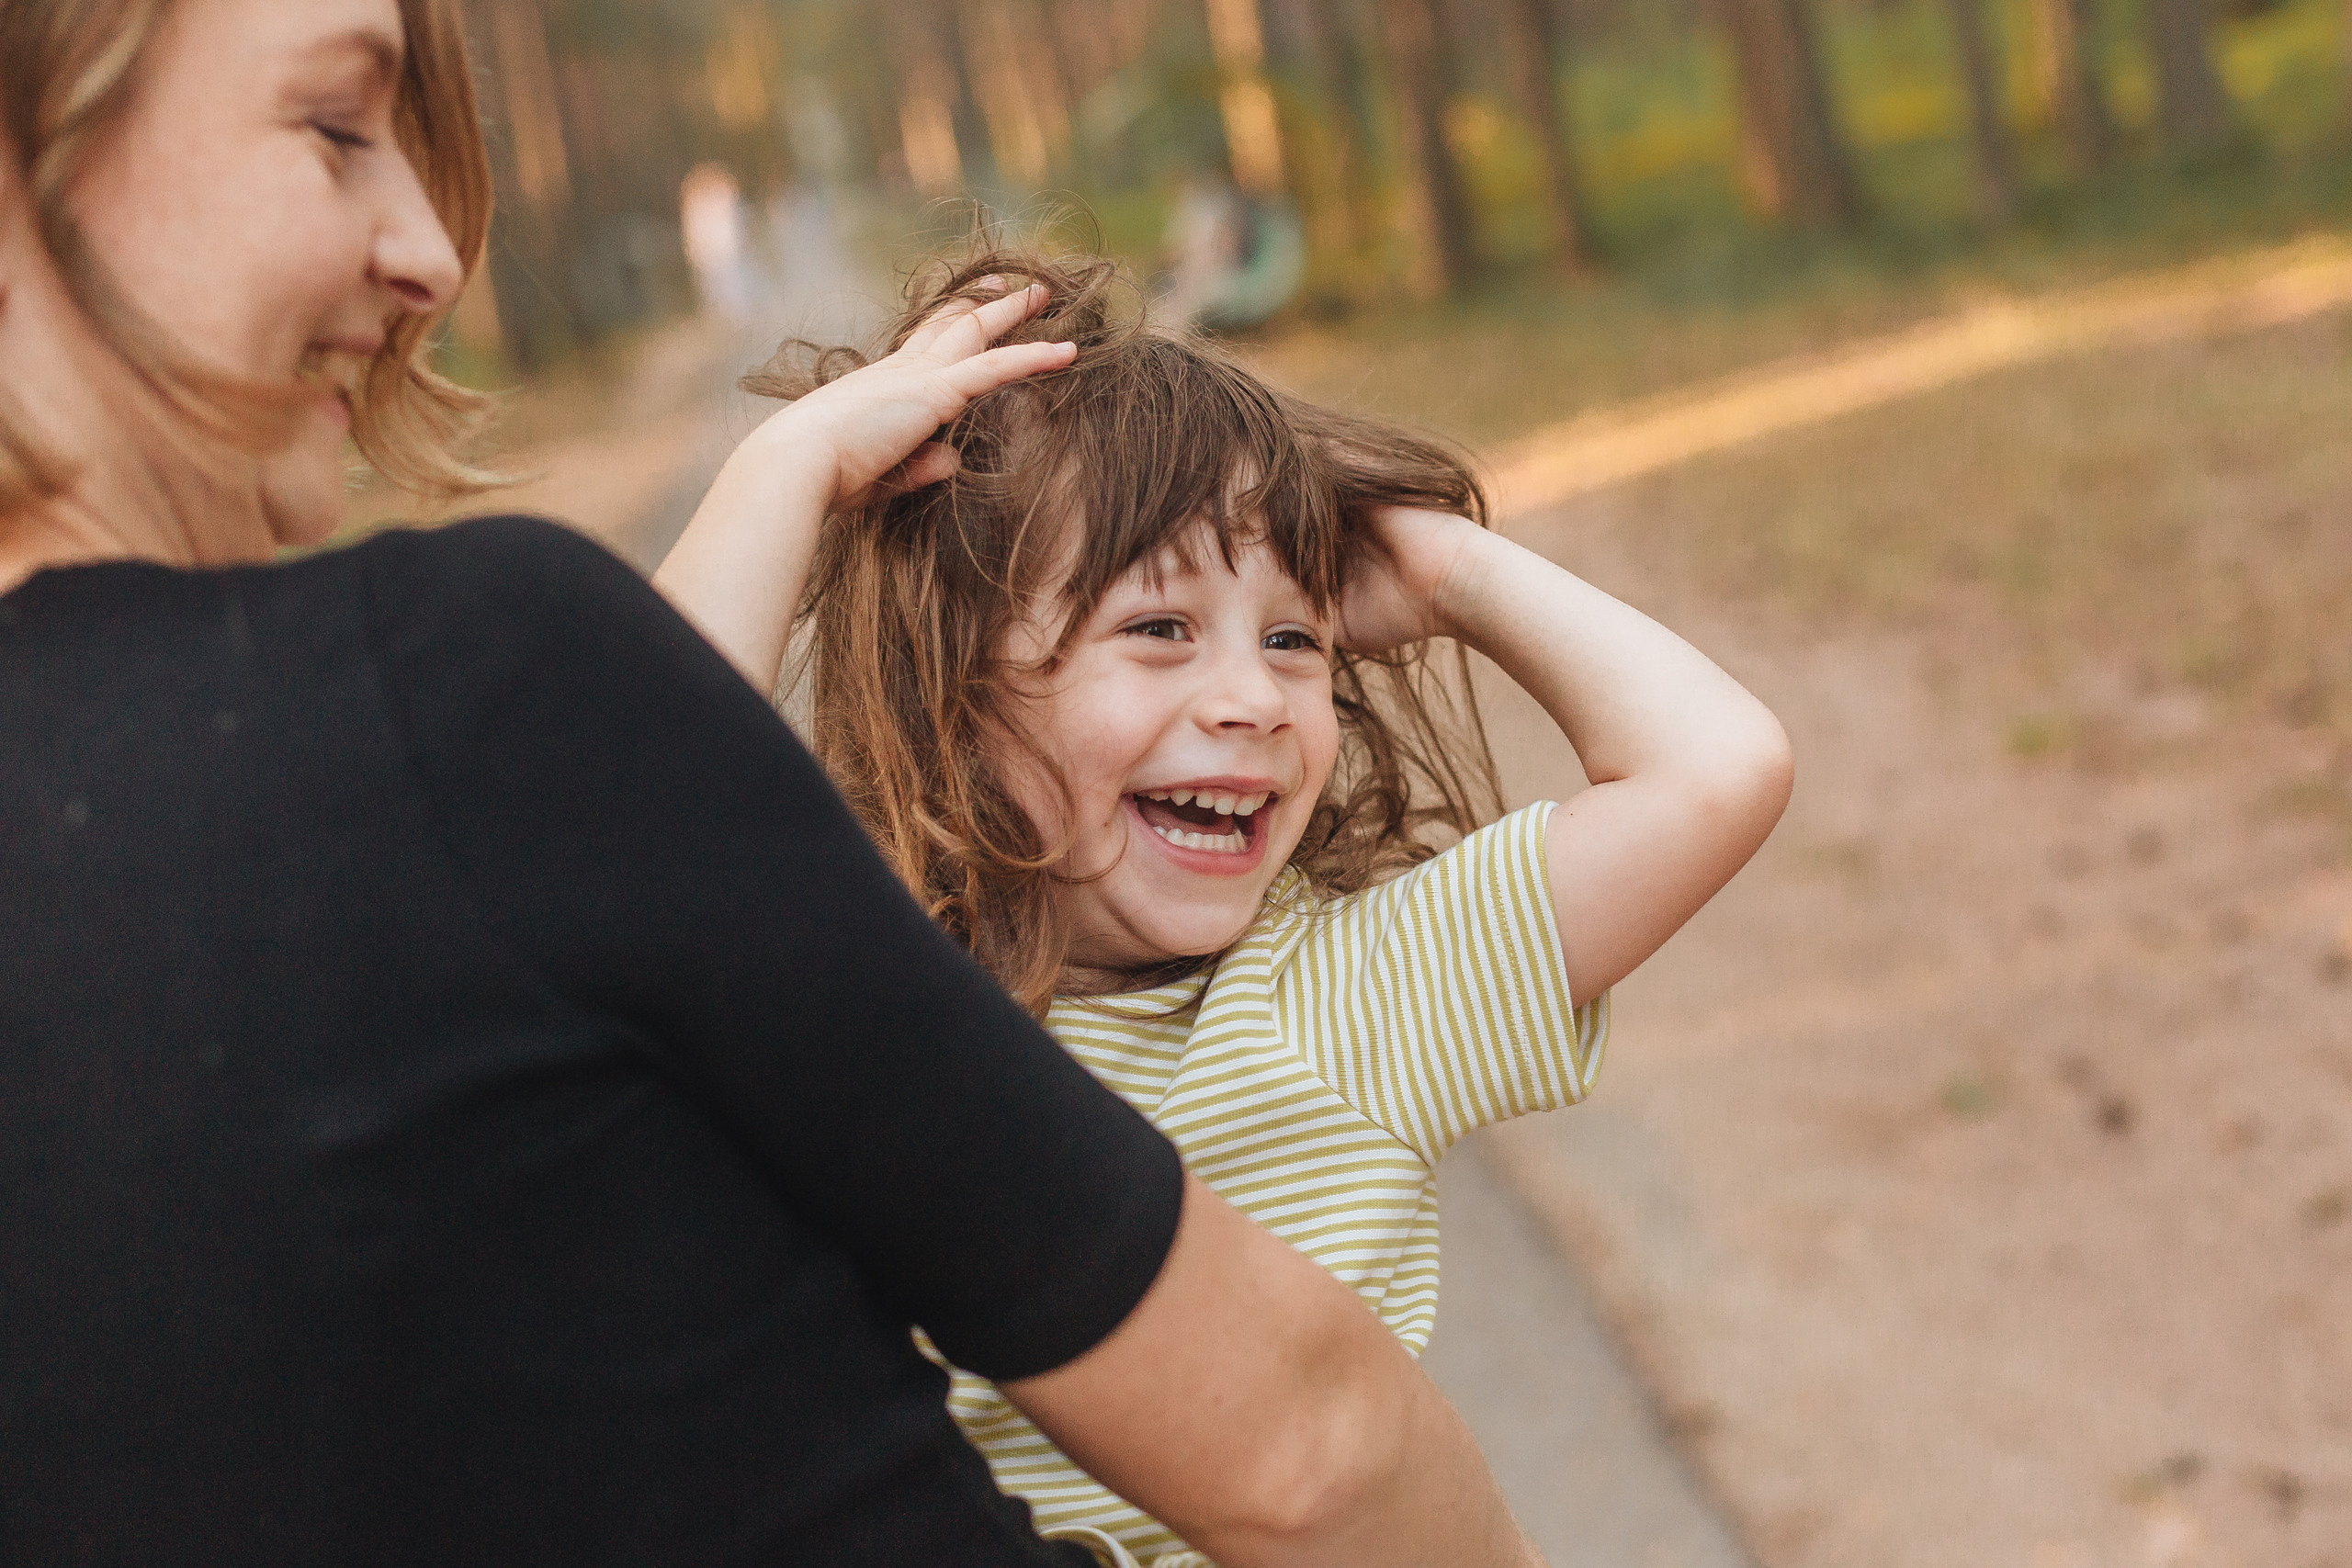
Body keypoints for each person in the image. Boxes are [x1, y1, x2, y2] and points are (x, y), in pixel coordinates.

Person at [0, 3, 1544, 1564]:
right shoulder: (455, 692)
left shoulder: (445, 760)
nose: (428, 255)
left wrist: (780, 477)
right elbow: (1309, 1445)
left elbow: (548, 854)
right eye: (335, 129)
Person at [654, 246, 1796, 1565]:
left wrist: (1443, 572)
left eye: (1294, 638)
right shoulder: (863, 996)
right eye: (1159, 629)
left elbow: (1720, 768)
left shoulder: (1355, 995)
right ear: (955, 679)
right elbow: (634, 820)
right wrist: (788, 469)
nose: (1252, 698)